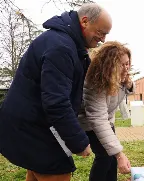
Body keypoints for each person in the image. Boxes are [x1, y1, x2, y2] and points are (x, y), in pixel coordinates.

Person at [0, 3, 112, 181]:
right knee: (57, 169)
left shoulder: (68, 45)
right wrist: (79, 142)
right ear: (84, 22)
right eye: (101, 32)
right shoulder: (61, 48)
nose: (103, 39)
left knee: (39, 169)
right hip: (33, 127)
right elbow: (57, 102)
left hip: (32, 124)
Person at [78, 41, 134, 181]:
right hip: (90, 123)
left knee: (112, 159)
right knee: (104, 156)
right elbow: (97, 119)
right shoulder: (95, 82)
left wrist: (129, 84)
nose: (126, 67)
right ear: (109, 64)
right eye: (121, 64)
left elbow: (128, 91)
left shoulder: (120, 77)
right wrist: (120, 155)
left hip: (107, 120)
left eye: (127, 63)